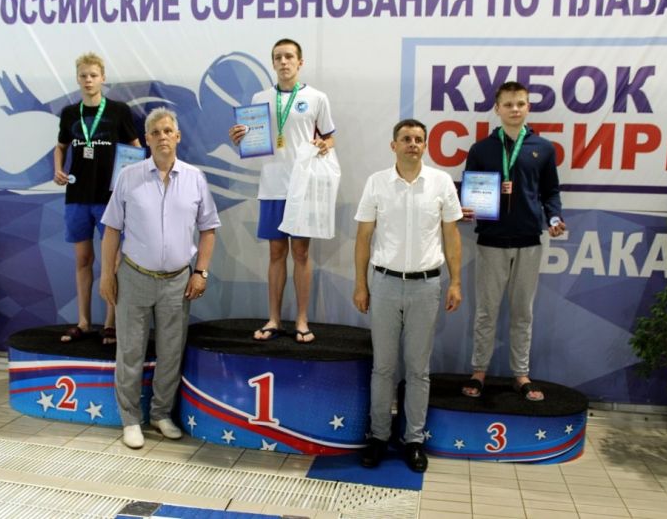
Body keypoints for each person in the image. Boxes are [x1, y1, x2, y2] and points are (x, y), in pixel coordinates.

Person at [99, 107, 220, 449]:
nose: (162, 137)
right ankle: (130, 419)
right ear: (147, 140)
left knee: (170, 352)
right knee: (130, 351)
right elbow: (111, 230)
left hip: (178, 282)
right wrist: (106, 275)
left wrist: (201, 272)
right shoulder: (129, 177)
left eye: (168, 131)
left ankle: (161, 414)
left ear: (177, 137)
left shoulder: (195, 178)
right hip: (134, 277)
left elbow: (209, 229)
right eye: (155, 132)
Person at [353, 119, 463, 473]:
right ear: (394, 145)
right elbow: (363, 238)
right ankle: (379, 437)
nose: (412, 144)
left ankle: (413, 440)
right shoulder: (377, 183)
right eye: (406, 139)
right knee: (383, 367)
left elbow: (452, 236)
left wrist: (456, 282)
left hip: (427, 286)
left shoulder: (441, 183)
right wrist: (361, 284)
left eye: (418, 139)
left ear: (425, 145)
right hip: (384, 284)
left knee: (418, 370)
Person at [460, 81, 566, 402]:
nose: (515, 109)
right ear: (497, 109)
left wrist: (554, 218)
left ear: (528, 107)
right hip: (491, 241)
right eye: (508, 104)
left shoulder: (543, 148)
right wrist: (468, 207)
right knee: (486, 312)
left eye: (520, 104)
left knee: (523, 312)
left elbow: (550, 192)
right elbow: (470, 193)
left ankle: (521, 374)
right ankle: (479, 371)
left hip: (529, 241)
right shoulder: (481, 149)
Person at [229, 38, 335, 344]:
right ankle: (274, 318)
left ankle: (302, 320)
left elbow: (330, 138)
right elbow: (252, 139)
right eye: (278, 57)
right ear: (273, 63)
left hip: (303, 186)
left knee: (301, 253)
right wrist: (240, 137)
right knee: (276, 253)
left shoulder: (316, 98)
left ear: (300, 62)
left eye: (289, 56)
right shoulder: (260, 98)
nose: (284, 62)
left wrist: (323, 145)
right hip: (272, 185)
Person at [54, 52, 141, 344]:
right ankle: (83, 321)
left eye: (93, 75)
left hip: (110, 198)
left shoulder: (118, 111)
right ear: (77, 79)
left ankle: (110, 323)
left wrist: (131, 180)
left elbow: (135, 146)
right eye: (83, 76)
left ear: (103, 78)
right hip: (77, 196)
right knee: (83, 259)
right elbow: (60, 146)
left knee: (112, 262)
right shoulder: (70, 113)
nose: (88, 80)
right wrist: (58, 169)